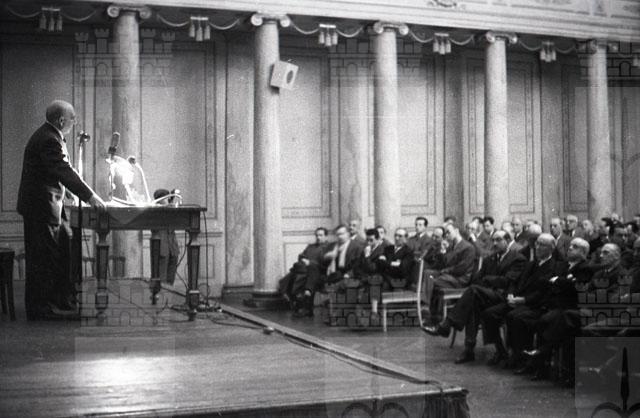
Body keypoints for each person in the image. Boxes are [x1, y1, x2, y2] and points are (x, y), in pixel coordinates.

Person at [17, 100, 106, 320]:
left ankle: (57, 302)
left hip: (43, 205)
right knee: (43, 259)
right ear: (61, 120)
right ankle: (41, 309)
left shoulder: (49, 135)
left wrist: (68, 193)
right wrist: (90, 196)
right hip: (41, 207)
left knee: (56, 251)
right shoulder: (49, 139)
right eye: (72, 118)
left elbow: (51, 171)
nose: (75, 122)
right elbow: (62, 169)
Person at [423, 230, 527, 365]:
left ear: (507, 241)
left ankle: (447, 325)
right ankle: (469, 350)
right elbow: (477, 279)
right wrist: (489, 281)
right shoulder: (490, 259)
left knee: (473, 291)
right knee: (473, 304)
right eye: (493, 240)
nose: (495, 243)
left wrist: (488, 279)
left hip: (504, 296)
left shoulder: (517, 258)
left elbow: (507, 281)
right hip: (486, 295)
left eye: (498, 240)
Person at [481, 233, 559, 370]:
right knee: (489, 313)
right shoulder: (531, 264)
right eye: (537, 244)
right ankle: (501, 350)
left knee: (515, 317)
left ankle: (520, 355)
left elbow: (543, 293)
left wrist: (523, 300)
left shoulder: (554, 267)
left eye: (542, 245)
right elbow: (516, 282)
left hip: (534, 304)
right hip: (517, 299)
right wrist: (511, 294)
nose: (537, 247)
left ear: (551, 248)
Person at [523, 238, 594, 383]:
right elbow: (544, 281)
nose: (570, 248)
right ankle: (541, 363)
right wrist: (563, 282)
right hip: (555, 304)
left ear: (583, 252)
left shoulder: (585, 268)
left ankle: (542, 359)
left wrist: (558, 281)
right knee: (541, 319)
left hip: (571, 307)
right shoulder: (563, 266)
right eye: (570, 245)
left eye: (575, 247)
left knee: (546, 320)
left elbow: (576, 288)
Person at [296, 225, 363, 317]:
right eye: (338, 234)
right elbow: (321, 261)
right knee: (312, 271)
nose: (340, 236)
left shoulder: (356, 247)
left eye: (342, 234)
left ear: (348, 234)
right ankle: (308, 296)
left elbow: (358, 264)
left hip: (347, 274)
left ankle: (308, 294)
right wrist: (328, 256)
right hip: (333, 273)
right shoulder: (333, 246)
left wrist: (349, 274)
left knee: (311, 277)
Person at [424, 223, 476, 323]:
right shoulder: (451, 246)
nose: (447, 235)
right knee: (428, 274)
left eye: (448, 232)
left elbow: (461, 268)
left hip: (461, 279)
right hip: (450, 276)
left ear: (456, 231)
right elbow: (443, 264)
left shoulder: (468, 247)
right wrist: (442, 252)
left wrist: (445, 271)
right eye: (445, 233)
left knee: (433, 281)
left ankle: (431, 312)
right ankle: (434, 315)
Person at [278, 227, 330, 309]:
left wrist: (310, 262)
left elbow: (325, 263)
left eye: (320, 235)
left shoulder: (328, 248)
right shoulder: (310, 247)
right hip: (305, 269)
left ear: (326, 236)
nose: (318, 237)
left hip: (319, 271)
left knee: (300, 277)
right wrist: (303, 259)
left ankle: (301, 298)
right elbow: (302, 255)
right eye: (316, 235)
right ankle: (293, 299)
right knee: (290, 277)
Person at [151, 189, 181, 286]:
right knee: (161, 279)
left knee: (171, 278)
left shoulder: (170, 209)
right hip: (161, 247)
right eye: (165, 199)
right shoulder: (154, 210)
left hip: (173, 247)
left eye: (168, 199)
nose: (167, 201)